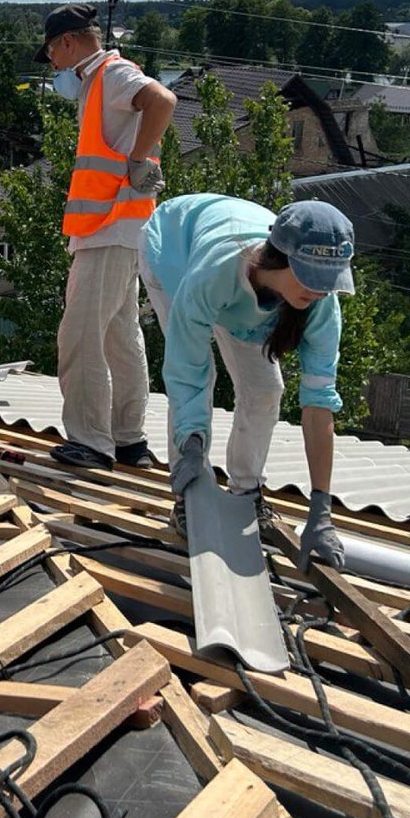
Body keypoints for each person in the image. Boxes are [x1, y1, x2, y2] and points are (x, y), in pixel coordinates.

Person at [140, 194, 352, 573]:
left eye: (328, 281)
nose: (320, 290)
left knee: (266, 389)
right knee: (200, 383)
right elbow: (187, 373)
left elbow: (320, 404)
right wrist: (191, 445)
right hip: (173, 250)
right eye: (312, 277)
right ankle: (189, 498)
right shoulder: (214, 273)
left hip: (244, 294)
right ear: (280, 258)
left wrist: (321, 507)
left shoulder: (319, 302)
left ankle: (247, 490)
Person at [37, 2, 177, 471]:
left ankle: (91, 442)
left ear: (68, 42)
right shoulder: (99, 80)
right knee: (121, 337)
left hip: (108, 227)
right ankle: (128, 440)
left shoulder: (111, 74)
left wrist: (137, 160)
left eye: (51, 53)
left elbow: (163, 100)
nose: (52, 65)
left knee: (80, 335)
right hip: (120, 227)